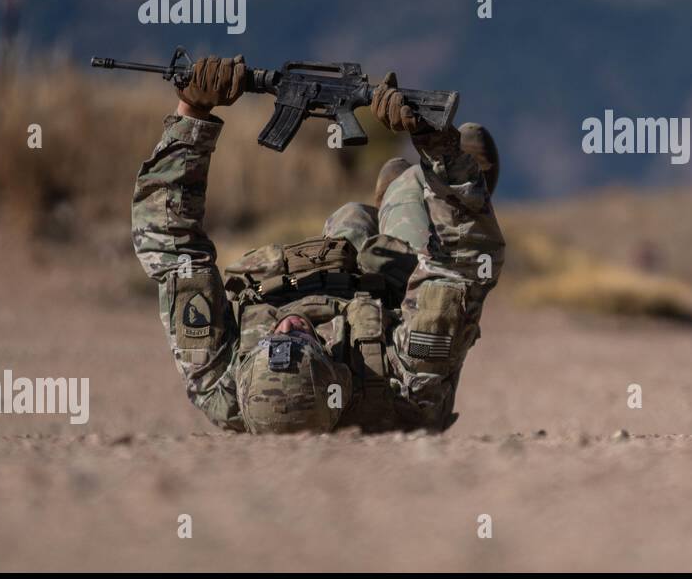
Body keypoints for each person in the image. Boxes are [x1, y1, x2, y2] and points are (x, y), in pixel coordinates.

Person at [131, 55, 505, 434]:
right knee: (418, 198)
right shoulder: (405, 382)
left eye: (275, 340)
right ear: (336, 370)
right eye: (305, 341)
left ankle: (387, 203)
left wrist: (193, 113)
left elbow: (168, 241)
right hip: (392, 305)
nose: (291, 325)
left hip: (332, 273)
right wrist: (437, 145)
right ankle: (413, 192)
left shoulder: (217, 380)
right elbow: (463, 261)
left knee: (351, 220)